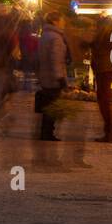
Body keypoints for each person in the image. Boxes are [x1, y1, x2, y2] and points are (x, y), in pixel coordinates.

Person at [37, 12, 71, 141]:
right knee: (52, 107)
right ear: (55, 21)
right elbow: (56, 60)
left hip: (45, 75)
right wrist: (60, 78)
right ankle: (48, 133)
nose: (64, 23)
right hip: (53, 78)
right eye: (62, 20)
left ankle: (46, 132)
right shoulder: (56, 38)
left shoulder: (45, 35)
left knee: (48, 106)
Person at [91, 14, 112, 142]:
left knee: (105, 100)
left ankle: (111, 134)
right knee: (106, 100)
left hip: (105, 68)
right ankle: (111, 133)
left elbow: (98, 46)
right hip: (108, 68)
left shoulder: (106, 33)